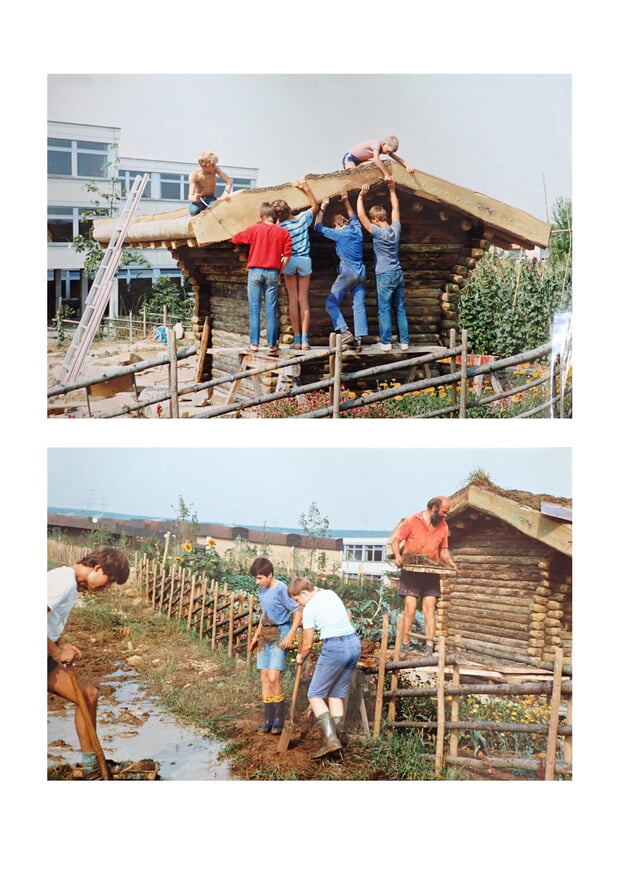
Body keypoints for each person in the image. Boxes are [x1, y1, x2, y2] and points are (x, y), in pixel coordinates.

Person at [47, 547, 130, 779]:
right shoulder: (63, 581)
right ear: (97, 568)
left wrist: (60, 643)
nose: (108, 587)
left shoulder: (70, 583)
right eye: (109, 580)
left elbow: (47, 620)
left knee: (89, 695)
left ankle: (91, 765)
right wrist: (55, 652)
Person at [288, 577, 361, 759]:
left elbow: (307, 644)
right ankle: (339, 737)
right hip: (353, 644)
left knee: (314, 694)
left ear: (304, 593)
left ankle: (330, 739)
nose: (299, 604)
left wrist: (300, 657)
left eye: (298, 600)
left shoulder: (310, 608)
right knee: (336, 693)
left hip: (335, 647)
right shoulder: (330, 593)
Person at [391, 497, 457, 655]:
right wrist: (398, 557)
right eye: (444, 512)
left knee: (429, 610)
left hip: (430, 572)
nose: (445, 516)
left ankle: (428, 647)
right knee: (410, 609)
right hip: (411, 571)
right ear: (434, 508)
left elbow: (443, 551)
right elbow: (396, 541)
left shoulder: (443, 526)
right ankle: (405, 647)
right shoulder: (412, 520)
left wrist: (451, 563)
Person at [248, 558, 303, 735]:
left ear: (270, 575)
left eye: (260, 578)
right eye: (256, 579)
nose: (258, 582)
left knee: (273, 677)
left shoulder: (281, 589)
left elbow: (298, 612)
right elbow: (265, 613)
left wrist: (290, 635)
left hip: (280, 632)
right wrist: (256, 636)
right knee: (264, 676)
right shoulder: (262, 590)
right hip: (265, 632)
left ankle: (279, 719)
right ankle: (268, 719)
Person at [231, 203, 292, 355]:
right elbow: (287, 256)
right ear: (274, 216)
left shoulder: (254, 229)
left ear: (260, 216)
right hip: (273, 272)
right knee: (271, 309)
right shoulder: (283, 232)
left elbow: (236, 238)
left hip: (255, 271)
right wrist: (280, 271)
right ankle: (272, 345)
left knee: (254, 308)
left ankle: (254, 344)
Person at [358, 179, 409, 352]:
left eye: (373, 220)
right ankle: (404, 342)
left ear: (376, 219)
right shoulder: (396, 229)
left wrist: (360, 196)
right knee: (400, 308)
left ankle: (386, 342)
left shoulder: (378, 232)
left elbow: (361, 217)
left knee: (384, 309)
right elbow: (396, 209)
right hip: (398, 272)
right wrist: (392, 190)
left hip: (384, 274)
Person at [315, 189, 368, 351]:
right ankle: (358, 340)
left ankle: (345, 332)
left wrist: (323, 207)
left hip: (348, 272)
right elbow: (353, 216)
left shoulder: (339, 233)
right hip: (361, 272)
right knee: (358, 305)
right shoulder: (357, 229)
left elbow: (317, 227)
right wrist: (346, 201)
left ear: (337, 225)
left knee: (331, 303)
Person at [272, 178, 320, 350]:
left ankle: (297, 339)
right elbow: (315, 207)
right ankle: (306, 341)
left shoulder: (280, 228)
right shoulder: (301, 219)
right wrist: (306, 189)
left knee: (293, 299)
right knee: (303, 300)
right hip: (305, 260)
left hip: (289, 261)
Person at [342, 136, 415, 179]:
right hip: (350, 158)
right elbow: (376, 159)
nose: (388, 153)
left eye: (390, 152)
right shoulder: (376, 144)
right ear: (383, 144)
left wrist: (407, 165)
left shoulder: (385, 148)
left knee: (374, 165)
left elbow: (397, 158)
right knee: (354, 174)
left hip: (360, 161)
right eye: (388, 151)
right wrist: (386, 174)